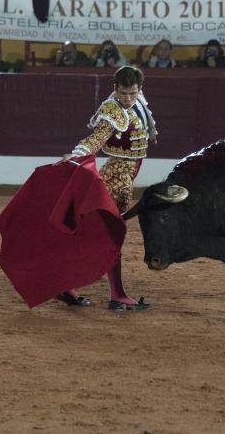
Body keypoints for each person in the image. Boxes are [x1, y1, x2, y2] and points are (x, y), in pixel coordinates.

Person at [58, 65, 155, 311]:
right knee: (109, 234)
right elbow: (96, 138)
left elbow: (143, 117)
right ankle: (116, 294)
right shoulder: (112, 110)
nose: (128, 99)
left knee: (102, 234)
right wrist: (77, 154)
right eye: (123, 93)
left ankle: (69, 284)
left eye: (132, 93)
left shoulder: (137, 101)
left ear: (139, 89)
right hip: (117, 176)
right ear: (115, 89)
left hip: (126, 173)